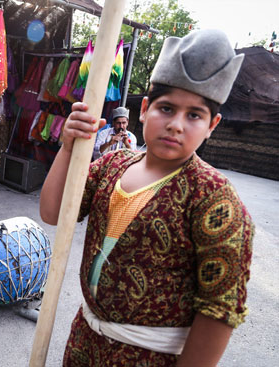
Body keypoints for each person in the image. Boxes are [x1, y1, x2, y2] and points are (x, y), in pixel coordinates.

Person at [40, 29, 254, 366]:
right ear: (144, 109)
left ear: (212, 125)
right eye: (166, 108)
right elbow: (53, 212)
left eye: (194, 115)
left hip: (151, 358)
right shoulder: (111, 164)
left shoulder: (215, 198)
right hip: (84, 341)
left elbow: (220, 309)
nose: (176, 125)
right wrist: (68, 147)